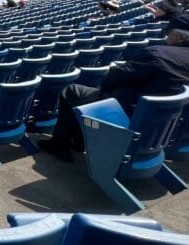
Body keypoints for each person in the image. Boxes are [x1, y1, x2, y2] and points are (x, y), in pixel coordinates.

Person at [38, 12, 189, 163]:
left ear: (180, 37)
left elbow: (114, 78)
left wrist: (105, 89)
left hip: (130, 114)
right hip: (163, 127)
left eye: (168, 33)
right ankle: (79, 140)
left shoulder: (159, 53)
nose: (166, 37)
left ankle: (60, 145)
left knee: (72, 91)